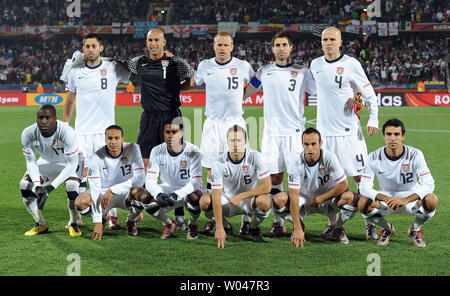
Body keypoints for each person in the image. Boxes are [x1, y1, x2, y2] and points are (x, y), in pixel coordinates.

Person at [118, 28, 195, 230]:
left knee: (177, 165)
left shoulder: (176, 63)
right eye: (150, 40)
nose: (153, 43)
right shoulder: (139, 62)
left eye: (157, 40)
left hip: (171, 116)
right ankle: (137, 213)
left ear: (164, 42)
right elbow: (119, 63)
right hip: (149, 118)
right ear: (147, 42)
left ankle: (179, 214)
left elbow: (192, 81)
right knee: (144, 165)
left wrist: (175, 89)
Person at [243, 32, 316, 237]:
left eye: (285, 44)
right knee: (273, 178)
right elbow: (247, 93)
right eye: (277, 45)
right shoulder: (264, 71)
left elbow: (320, 93)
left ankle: (296, 219)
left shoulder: (303, 72)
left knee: (295, 179)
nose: (281, 48)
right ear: (272, 49)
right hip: (271, 134)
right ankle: (278, 223)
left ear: (291, 48)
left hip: (294, 134)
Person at [310, 26, 379, 240]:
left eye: (332, 39)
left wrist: (373, 118)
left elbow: (368, 93)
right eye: (324, 40)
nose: (328, 43)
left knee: (361, 179)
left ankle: (371, 224)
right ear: (321, 43)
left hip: (350, 134)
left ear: (340, 42)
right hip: (326, 137)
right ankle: (334, 226)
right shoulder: (315, 65)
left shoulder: (351, 64)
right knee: (330, 184)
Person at [63, 33, 131, 231]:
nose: (90, 49)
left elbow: (135, 74)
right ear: (83, 49)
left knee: (109, 174)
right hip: (82, 132)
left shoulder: (113, 67)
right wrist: (66, 125)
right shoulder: (75, 72)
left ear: (101, 48)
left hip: (106, 133)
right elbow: (69, 99)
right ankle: (75, 217)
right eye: (87, 46)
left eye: (94, 46)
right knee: (78, 178)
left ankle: (112, 216)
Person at [191, 31, 255, 235]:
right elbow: (194, 82)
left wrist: (245, 95)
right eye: (219, 44)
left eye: (226, 45)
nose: (222, 48)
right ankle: (216, 219)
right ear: (214, 45)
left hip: (235, 122)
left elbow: (257, 81)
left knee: (245, 169)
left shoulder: (243, 65)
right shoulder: (205, 66)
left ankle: (247, 219)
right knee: (211, 170)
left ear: (232, 46)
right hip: (212, 124)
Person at [358, 119, 438, 247]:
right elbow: (364, 187)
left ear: (403, 137)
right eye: (389, 134)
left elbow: (429, 184)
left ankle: (415, 229)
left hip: (410, 200)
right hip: (386, 200)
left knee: (432, 200)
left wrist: (405, 200)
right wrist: (387, 198)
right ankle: (387, 228)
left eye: (396, 134)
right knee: (362, 202)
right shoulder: (373, 157)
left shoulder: (415, 154)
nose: (392, 138)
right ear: (383, 136)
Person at [274, 128, 359, 246]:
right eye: (306, 144)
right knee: (278, 200)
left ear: (320, 144)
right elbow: (294, 196)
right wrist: (296, 226)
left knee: (351, 197)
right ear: (302, 144)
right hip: (304, 202)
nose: (310, 148)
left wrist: (321, 198)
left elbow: (344, 185)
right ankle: (299, 224)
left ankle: (337, 227)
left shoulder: (329, 158)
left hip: (327, 202)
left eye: (313, 144)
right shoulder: (296, 162)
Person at [200, 125, 272, 248]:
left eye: (238, 140)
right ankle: (226, 226)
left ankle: (253, 227)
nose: (235, 144)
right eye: (232, 140)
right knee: (204, 201)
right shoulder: (218, 163)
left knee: (265, 202)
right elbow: (216, 197)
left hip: (248, 201)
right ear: (226, 142)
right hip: (227, 201)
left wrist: (241, 196)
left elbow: (267, 187)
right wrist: (219, 228)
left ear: (245, 141)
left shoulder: (255, 156)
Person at [73, 125, 147, 240]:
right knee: (80, 203)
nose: (113, 142)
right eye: (110, 138)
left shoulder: (133, 148)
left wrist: (113, 190)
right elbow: (95, 189)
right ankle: (102, 217)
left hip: (125, 194)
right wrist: (97, 221)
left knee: (143, 193)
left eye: (117, 138)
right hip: (103, 195)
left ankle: (131, 221)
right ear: (105, 139)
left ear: (122, 139)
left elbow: (140, 178)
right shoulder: (96, 157)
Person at [20, 105, 83, 237]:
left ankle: (73, 223)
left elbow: (72, 164)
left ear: (55, 119)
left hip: (68, 163)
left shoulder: (66, 131)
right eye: (40, 118)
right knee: (24, 185)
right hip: (46, 162)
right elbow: (31, 162)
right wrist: (38, 185)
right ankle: (40, 223)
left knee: (72, 186)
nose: (43, 121)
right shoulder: (28, 133)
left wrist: (49, 188)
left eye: (48, 118)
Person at [143, 118, 204, 239]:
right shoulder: (156, 150)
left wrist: (177, 195)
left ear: (181, 133)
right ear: (163, 133)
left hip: (188, 191)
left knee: (195, 196)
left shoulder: (193, 151)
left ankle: (193, 224)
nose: (170, 135)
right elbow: (150, 179)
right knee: (145, 197)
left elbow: (195, 182)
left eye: (174, 132)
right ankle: (168, 224)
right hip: (168, 189)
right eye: (167, 132)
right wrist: (158, 194)